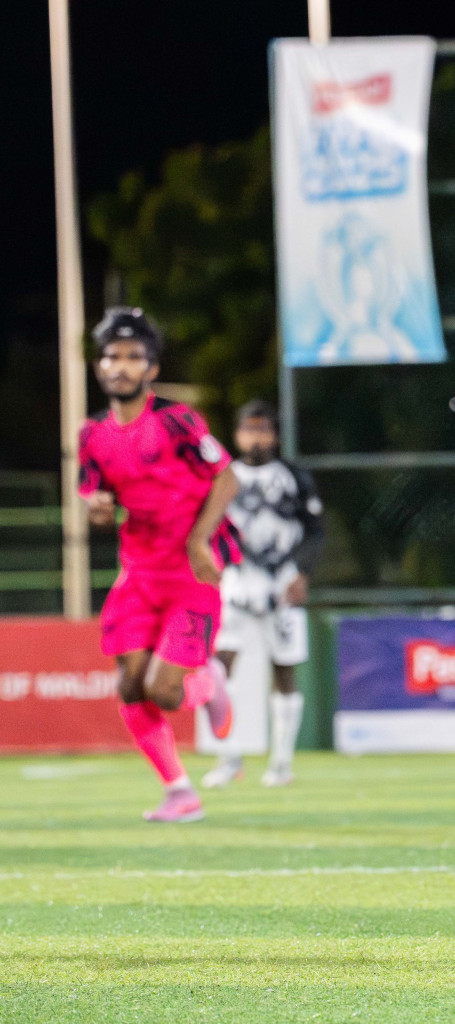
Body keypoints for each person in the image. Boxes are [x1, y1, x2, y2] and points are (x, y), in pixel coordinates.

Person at [78, 306, 239, 823]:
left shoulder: (177, 420)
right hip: (139, 574)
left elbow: (227, 478)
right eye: (111, 357)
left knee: (164, 693)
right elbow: (94, 492)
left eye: (133, 357)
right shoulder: (92, 436)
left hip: (191, 574)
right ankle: (179, 792)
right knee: (128, 686)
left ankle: (208, 682)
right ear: (100, 367)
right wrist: (98, 507)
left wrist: (199, 541)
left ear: (150, 368)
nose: (120, 366)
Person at [202, 399, 324, 789]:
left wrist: (301, 572)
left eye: (264, 429)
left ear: (275, 434)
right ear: (237, 433)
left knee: (284, 668)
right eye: (249, 428)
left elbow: (315, 530)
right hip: (237, 581)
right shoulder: (224, 477)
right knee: (219, 669)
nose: (256, 437)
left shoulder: (294, 477)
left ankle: (282, 762)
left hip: (281, 582)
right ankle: (228, 757)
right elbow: (207, 527)